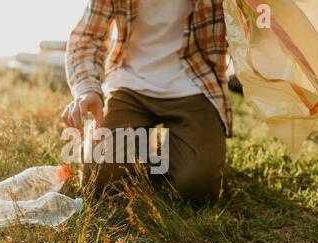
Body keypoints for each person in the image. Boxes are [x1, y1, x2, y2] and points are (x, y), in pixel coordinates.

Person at [61, 0, 231, 202]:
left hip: (195, 84)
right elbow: (87, 38)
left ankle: (174, 148)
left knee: (197, 188)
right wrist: (88, 88)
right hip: (129, 84)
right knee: (100, 180)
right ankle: (146, 146)